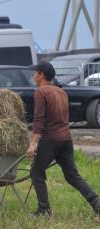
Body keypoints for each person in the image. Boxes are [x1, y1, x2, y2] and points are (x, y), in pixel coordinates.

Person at [26, 61, 100, 217]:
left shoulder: (40, 92)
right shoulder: (61, 92)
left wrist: (33, 144)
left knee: (36, 173)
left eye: (35, 73)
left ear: (41, 75)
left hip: (51, 139)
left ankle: (44, 210)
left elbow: (39, 120)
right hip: (65, 138)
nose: (33, 76)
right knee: (72, 175)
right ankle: (97, 203)